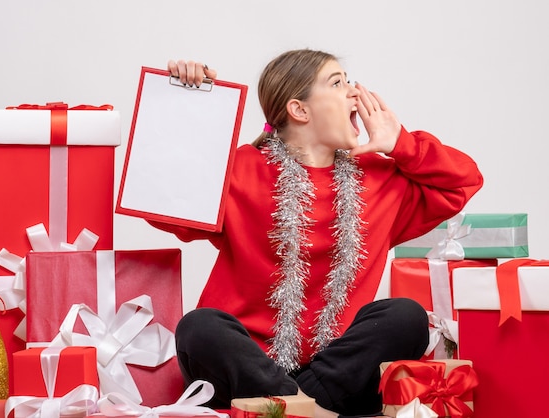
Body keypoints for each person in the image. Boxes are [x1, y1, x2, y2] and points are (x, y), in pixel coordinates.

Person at [154, 49, 483, 417]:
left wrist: (399, 143)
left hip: (339, 371)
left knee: (406, 316)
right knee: (199, 327)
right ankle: (309, 408)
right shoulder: (240, 168)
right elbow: (164, 204)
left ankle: (295, 408)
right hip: (245, 370)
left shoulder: (380, 178)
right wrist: (185, 101)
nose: (355, 92)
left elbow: (463, 182)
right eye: (338, 83)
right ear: (300, 110)